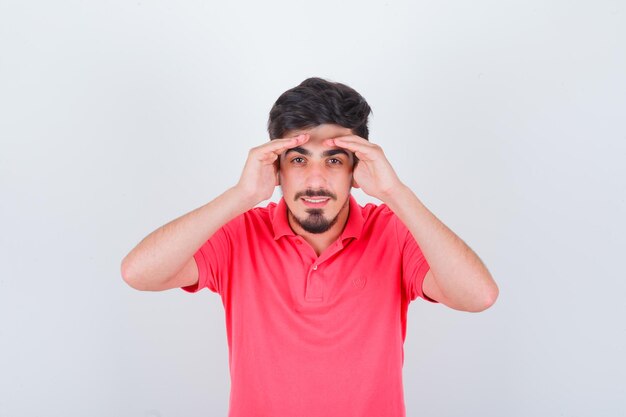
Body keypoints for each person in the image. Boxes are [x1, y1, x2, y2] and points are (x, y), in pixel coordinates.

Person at [121, 77, 499, 417]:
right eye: (299, 160)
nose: (315, 181)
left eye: (333, 160)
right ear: (276, 169)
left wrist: (394, 193)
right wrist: (241, 196)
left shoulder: (394, 233)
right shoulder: (238, 233)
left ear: (356, 169)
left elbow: (478, 296)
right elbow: (138, 273)